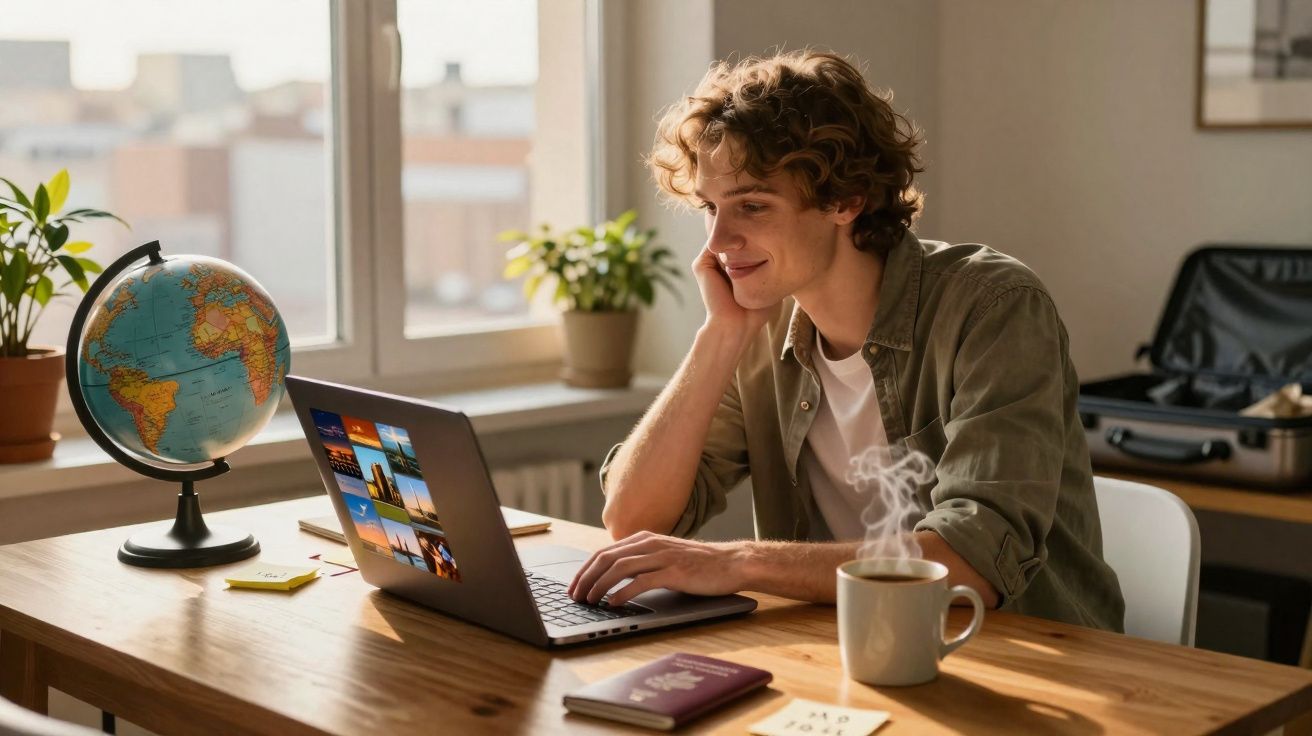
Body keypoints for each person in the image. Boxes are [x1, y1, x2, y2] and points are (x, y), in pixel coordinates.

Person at [567, 50, 1124, 631]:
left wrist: (739, 561)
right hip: (849, 644)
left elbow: (972, 560)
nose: (719, 240)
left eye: (752, 205)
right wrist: (720, 335)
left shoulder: (993, 308)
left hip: (1030, 656)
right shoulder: (758, 328)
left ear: (846, 199)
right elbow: (633, 518)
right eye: (710, 207)